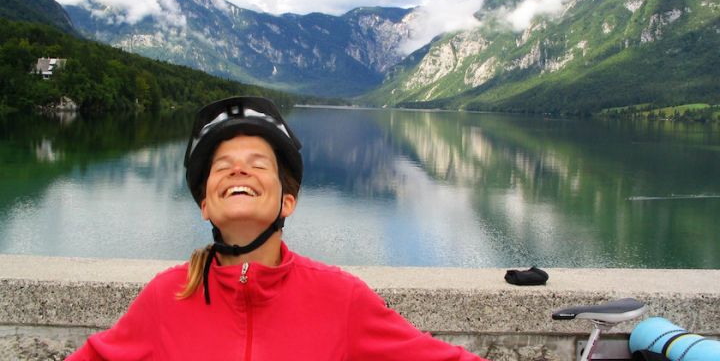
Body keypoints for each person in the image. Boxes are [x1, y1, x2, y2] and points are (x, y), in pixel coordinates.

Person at [67, 96, 487, 360]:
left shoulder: (341, 299)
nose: (239, 171)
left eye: (257, 164)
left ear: (288, 200)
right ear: (205, 205)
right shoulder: (167, 297)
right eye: (223, 166)